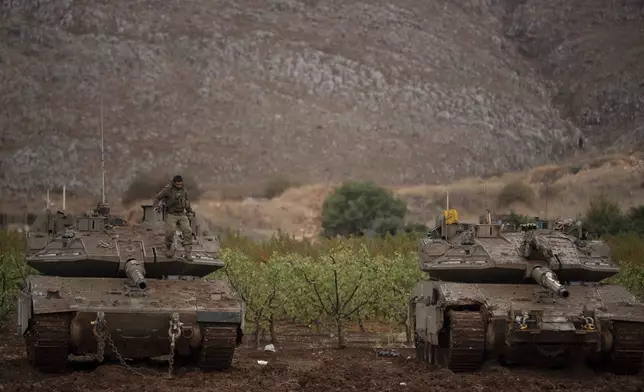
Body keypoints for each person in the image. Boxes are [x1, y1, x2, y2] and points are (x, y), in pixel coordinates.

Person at [152, 175, 195, 261]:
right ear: (174, 183)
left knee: (188, 231)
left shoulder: (184, 190)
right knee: (170, 231)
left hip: (182, 214)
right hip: (171, 214)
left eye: (180, 184)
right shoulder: (168, 190)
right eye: (177, 184)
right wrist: (156, 206)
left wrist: (190, 211)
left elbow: (186, 202)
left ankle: (188, 253)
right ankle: (168, 248)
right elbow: (158, 197)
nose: (179, 185)